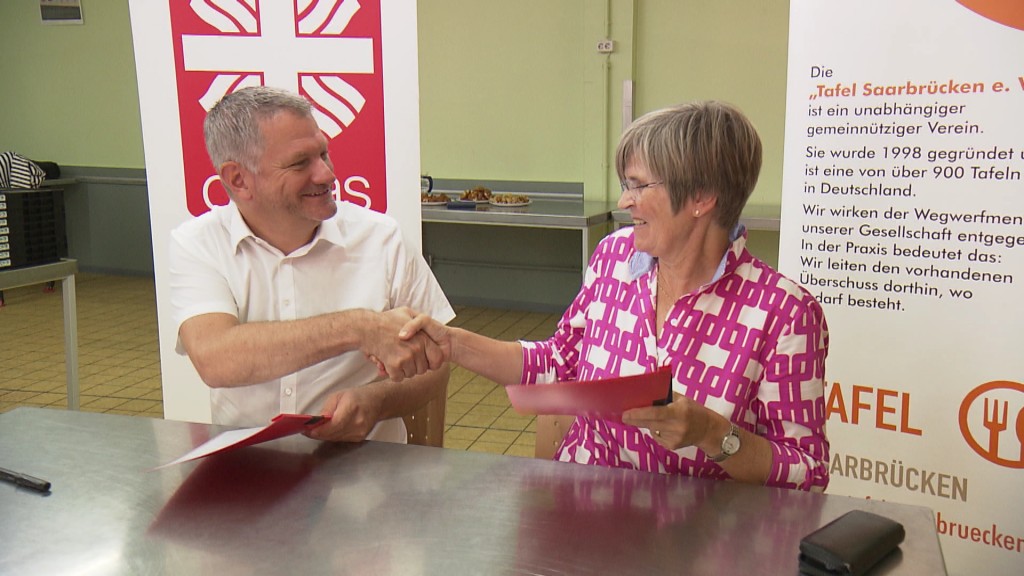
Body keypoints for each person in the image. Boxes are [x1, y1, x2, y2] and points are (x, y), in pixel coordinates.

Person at [401, 101, 829, 491]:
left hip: (696, 538)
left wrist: (713, 434)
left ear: (701, 197)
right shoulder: (614, 257)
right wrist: (452, 343)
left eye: (639, 186)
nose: (625, 200)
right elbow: (558, 363)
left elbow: (806, 472)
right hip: (584, 514)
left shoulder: (783, 313)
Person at [168, 86, 454, 443]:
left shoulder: (382, 239)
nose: (326, 174)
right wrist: (359, 327)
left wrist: (376, 401)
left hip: (366, 475)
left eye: (324, 153)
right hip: (248, 470)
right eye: (300, 163)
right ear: (238, 179)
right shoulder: (198, 243)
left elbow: (437, 364)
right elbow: (215, 358)